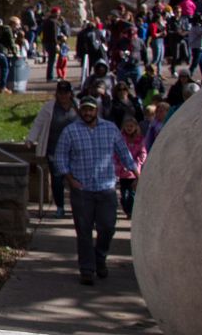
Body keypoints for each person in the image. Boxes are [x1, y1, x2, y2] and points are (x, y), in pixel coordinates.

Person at [52, 96, 138, 285]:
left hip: (105, 187)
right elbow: (60, 158)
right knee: (83, 231)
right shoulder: (70, 131)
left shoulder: (110, 128)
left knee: (107, 227)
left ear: (96, 110)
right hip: (82, 190)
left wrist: (135, 172)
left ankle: (100, 258)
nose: (88, 113)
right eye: (84, 110)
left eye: (91, 110)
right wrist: (71, 180)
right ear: (80, 111)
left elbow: (123, 151)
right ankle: (87, 269)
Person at [27, 80, 80, 218]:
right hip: (54, 149)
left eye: (66, 93)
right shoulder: (49, 107)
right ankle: (60, 207)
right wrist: (31, 139)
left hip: (75, 151)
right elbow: (38, 123)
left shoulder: (78, 106)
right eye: (60, 93)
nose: (63, 96)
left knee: (76, 179)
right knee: (57, 180)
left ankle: (78, 207)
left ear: (70, 94)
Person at [114, 113, 147, 220]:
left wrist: (138, 163)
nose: (129, 128)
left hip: (134, 172)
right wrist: (118, 165)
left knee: (132, 194)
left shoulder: (140, 139)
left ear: (135, 127)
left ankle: (131, 211)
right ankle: (126, 208)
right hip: (123, 173)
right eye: (127, 126)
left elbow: (143, 153)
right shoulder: (120, 139)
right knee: (124, 195)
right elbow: (116, 153)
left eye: (131, 126)